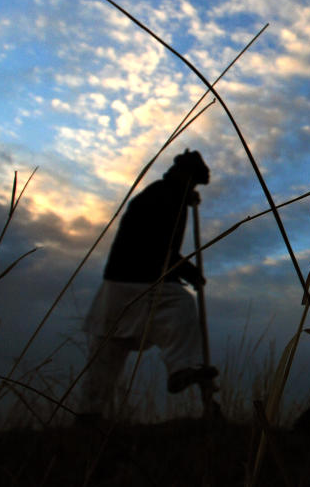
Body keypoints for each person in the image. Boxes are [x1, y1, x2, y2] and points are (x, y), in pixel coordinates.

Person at [79, 149, 217, 421]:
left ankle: (88, 415)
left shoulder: (165, 194)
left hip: (120, 281)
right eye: (194, 180)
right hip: (142, 279)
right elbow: (157, 245)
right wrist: (189, 272)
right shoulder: (166, 196)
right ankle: (182, 367)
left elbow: (159, 244)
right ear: (186, 176)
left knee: (107, 350)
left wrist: (186, 197)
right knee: (180, 306)